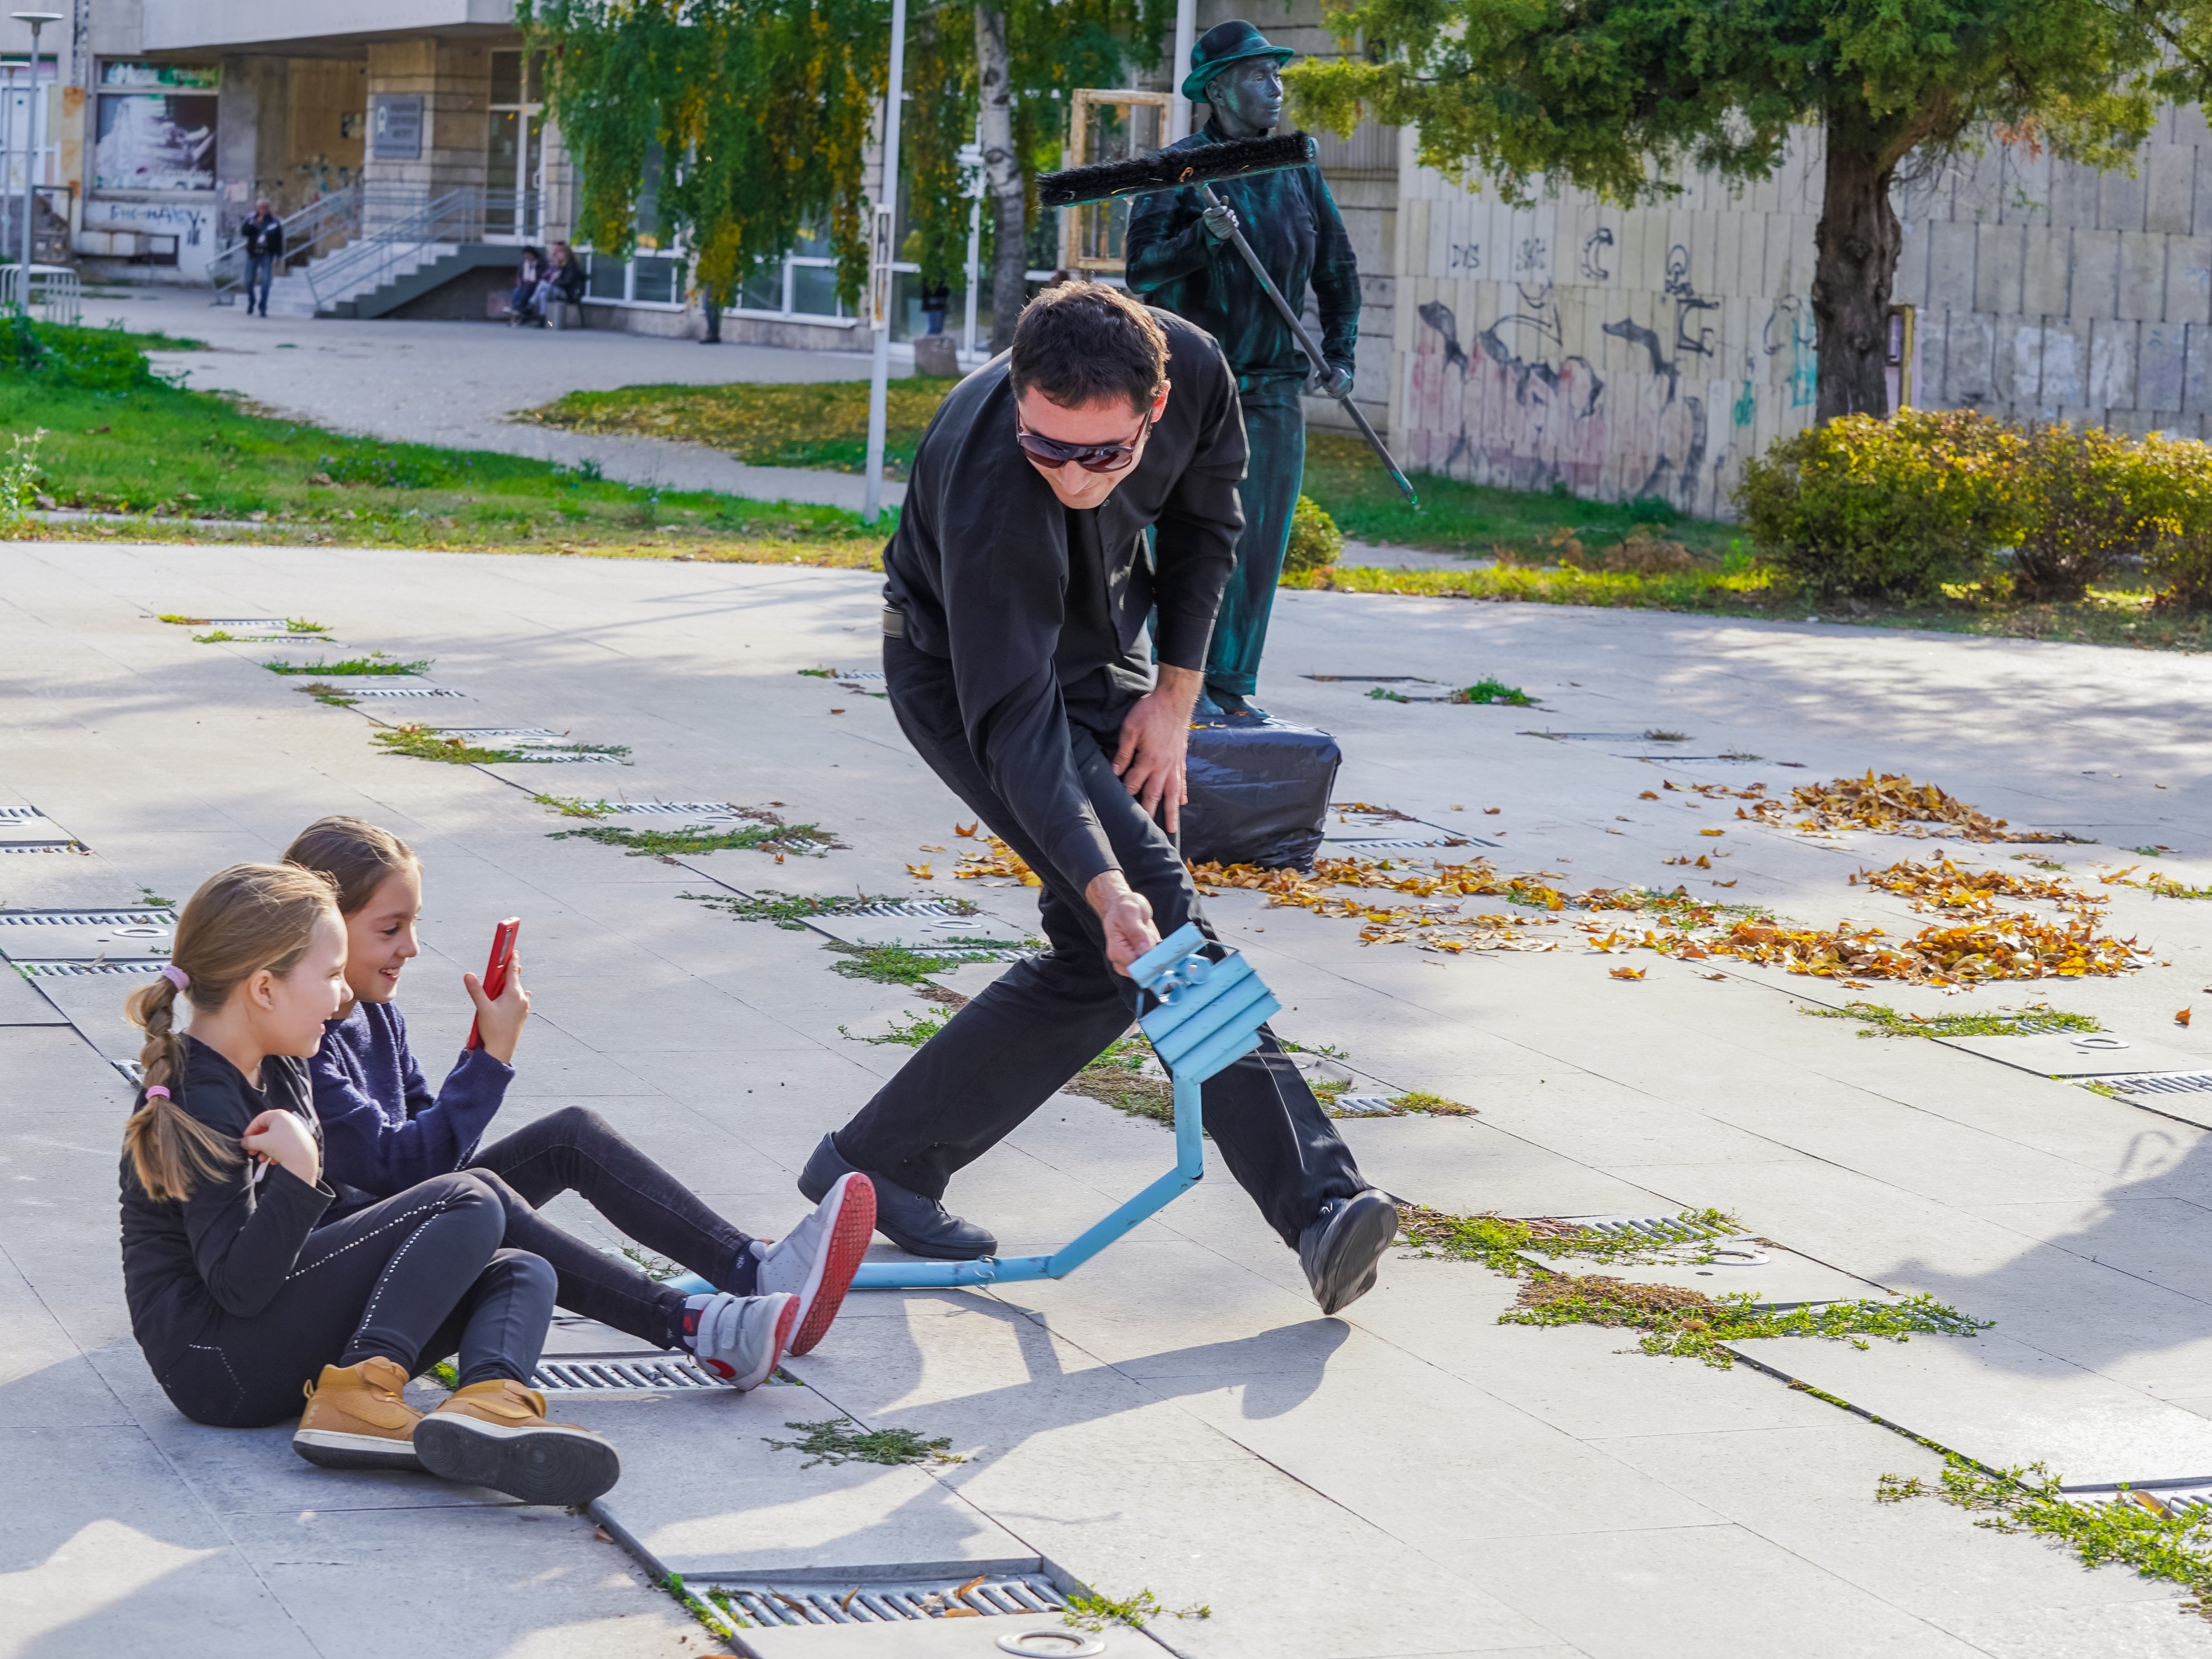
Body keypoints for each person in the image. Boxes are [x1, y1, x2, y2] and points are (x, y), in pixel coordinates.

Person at [798, 281, 1400, 1315]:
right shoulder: (993, 489)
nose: (1075, 476)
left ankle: (883, 1162)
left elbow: (1211, 524)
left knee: (1104, 955)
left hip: (1102, 665)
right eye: (1048, 448)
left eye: (1105, 456)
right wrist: (1104, 879)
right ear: (1020, 397)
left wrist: (1174, 698)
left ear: (1153, 408)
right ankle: (1320, 1205)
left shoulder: (1198, 368)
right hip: (969, 679)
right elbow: (1019, 730)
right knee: (1151, 917)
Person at [283, 815, 872, 1374]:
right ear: (324, 932)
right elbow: (407, 1170)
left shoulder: (378, 1018)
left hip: (419, 1223)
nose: (410, 947)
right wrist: (488, 1060)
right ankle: (695, 1327)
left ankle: (752, 1272)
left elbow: (438, 1163)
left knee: (569, 1135)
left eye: (414, 925)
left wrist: (481, 1064)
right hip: (352, 1273)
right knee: (478, 1194)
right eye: (390, 930)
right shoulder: (295, 1043)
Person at [118, 863, 620, 1506]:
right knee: (467, 1196)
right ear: (264, 988)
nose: (339, 998)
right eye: (329, 976)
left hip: (259, 1338)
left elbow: (314, 1242)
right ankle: (358, 1393)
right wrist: (301, 1176)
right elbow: (237, 1288)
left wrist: (394, 1237)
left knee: (520, 1270)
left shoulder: (282, 1064)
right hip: (215, 1364)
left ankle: (489, 1408)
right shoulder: (200, 1099)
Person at [1124, 20, 1362, 722]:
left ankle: (1230, 685)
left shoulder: (1295, 166)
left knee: (1257, 543)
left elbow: (1337, 271)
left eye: (1276, 74)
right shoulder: (1177, 171)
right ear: (1218, 88)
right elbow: (1143, 271)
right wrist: (1204, 237)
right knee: (1188, 537)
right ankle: (1175, 688)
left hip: (1275, 386)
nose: (1275, 87)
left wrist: (1341, 354)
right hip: (1193, 390)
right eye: (1259, 75)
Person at [239, 198, 284, 319]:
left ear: (269, 209)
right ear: (257, 209)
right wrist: (257, 223)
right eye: (261, 208)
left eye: (266, 207)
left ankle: (263, 307)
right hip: (253, 255)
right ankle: (252, 301)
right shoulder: (251, 219)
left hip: (267, 255)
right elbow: (244, 232)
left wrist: (279, 256)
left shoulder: (274, 222)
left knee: (266, 282)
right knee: (248, 281)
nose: (264, 210)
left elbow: (280, 239)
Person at [531, 242, 587, 328]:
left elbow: (567, 282)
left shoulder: (572, 266)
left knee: (543, 284)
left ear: (566, 254)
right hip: (560, 290)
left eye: (560, 253)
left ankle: (531, 303)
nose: (557, 255)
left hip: (568, 293)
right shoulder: (562, 266)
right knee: (543, 294)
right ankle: (543, 320)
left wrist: (554, 282)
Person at [508, 245, 546, 326]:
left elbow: (542, 275)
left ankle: (518, 312)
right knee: (516, 292)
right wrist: (519, 280)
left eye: (529, 255)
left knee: (526, 292)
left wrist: (534, 270)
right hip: (524, 284)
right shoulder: (523, 263)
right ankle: (516, 311)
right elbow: (519, 274)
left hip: (535, 284)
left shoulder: (540, 262)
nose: (527, 257)